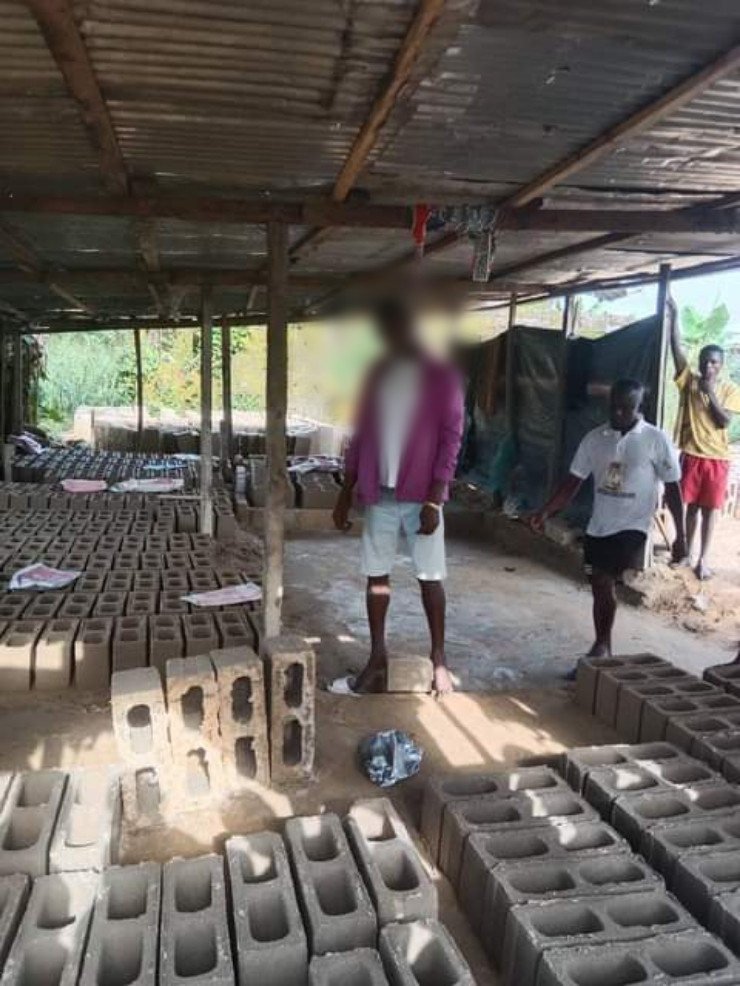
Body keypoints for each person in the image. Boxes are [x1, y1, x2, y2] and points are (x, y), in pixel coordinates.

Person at [332, 297, 464, 695]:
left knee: (430, 576)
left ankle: (439, 659)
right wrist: (346, 490)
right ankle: (377, 657)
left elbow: (452, 438)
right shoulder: (375, 375)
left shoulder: (440, 377)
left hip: (421, 494)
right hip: (380, 493)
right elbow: (359, 436)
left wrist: (435, 498)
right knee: (376, 575)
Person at [530, 378, 686, 660]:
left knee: (603, 579)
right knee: (598, 586)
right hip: (599, 527)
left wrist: (680, 537)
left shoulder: (655, 439)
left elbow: (674, 489)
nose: (618, 413)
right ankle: (603, 647)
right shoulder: (594, 439)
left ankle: (601, 646)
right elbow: (573, 482)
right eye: (613, 407)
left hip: (633, 527)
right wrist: (546, 511)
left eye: (625, 408)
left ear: (639, 407)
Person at [668, 296, 740, 580]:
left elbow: (724, 421)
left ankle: (704, 560)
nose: (708, 366)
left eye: (713, 362)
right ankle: (687, 553)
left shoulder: (729, 389)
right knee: (692, 508)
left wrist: (710, 392)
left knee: (711, 510)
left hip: (717, 458)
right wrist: (674, 318)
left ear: (721, 366)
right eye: (704, 361)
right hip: (692, 454)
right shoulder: (689, 382)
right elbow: (676, 349)